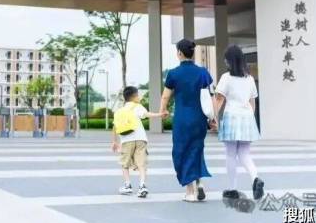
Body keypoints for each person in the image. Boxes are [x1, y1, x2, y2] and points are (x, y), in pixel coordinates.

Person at [160, 38, 216, 202]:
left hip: (182, 119)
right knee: (196, 149)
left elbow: (165, 96)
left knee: (181, 151)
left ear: (179, 53)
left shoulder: (173, 73)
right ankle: (199, 182)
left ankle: (190, 192)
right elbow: (211, 96)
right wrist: (213, 117)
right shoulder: (203, 72)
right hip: (199, 119)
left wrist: (163, 110)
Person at [214, 44, 265, 201]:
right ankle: (255, 178)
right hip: (247, 117)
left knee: (230, 154)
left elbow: (219, 100)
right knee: (244, 154)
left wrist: (214, 118)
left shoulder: (226, 78)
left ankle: (232, 189)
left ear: (229, 61)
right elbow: (252, 102)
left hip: (231, 116)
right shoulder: (249, 79)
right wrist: (250, 118)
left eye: (226, 59)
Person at [111, 86, 165, 198]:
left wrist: (114, 142)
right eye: (138, 95)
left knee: (125, 163)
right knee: (141, 163)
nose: (139, 97)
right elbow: (147, 114)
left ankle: (127, 185)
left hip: (126, 140)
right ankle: (142, 186)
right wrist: (160, 115)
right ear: (134, 97)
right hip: (140, 139)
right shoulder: (137, 107)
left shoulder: (119, 111)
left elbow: (115, 127)